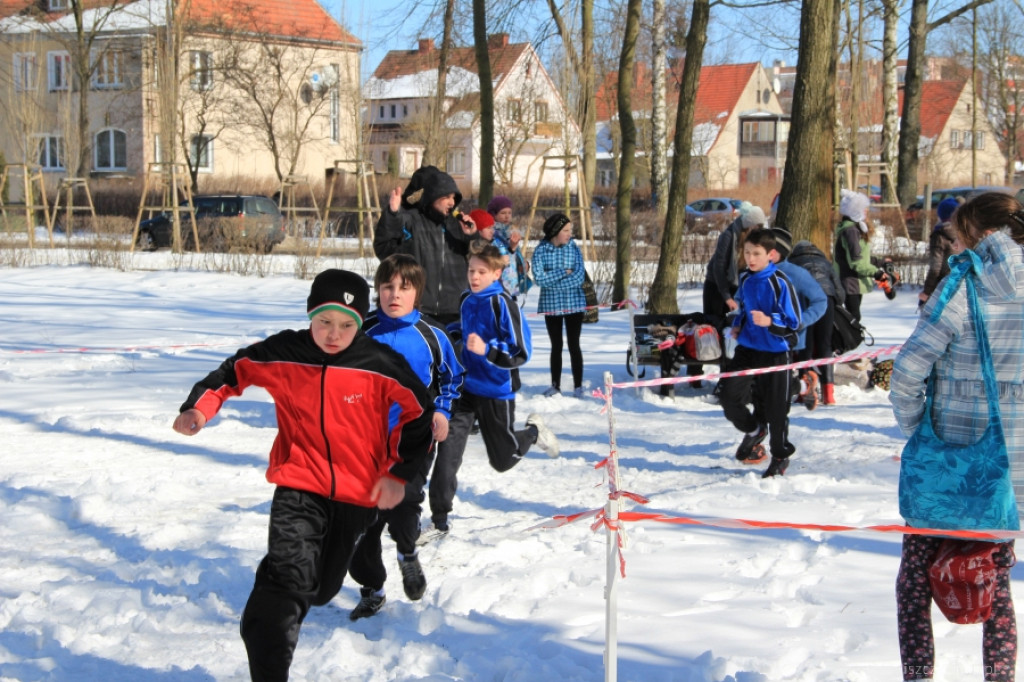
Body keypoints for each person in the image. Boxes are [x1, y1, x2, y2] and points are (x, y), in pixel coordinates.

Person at [172, 269, 434, 682]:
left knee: (321, 589)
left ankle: (276, 589)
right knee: (289, 582)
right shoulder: (286, 352)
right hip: (298, 483)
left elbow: (420, 416)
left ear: (360, 323)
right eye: (325, 321)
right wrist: (199, 408)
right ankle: (269, 658)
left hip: (356, 494)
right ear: (311, 314)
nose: (334, 334)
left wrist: (398, 473)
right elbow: (233, 371)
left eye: (347, 324)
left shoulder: (380, 363)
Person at [890, 191, 1024, 682]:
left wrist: (919, 432)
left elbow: (906, 372)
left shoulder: (962, 286)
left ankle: (919, 676)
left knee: (914, 581)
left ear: (979, 234)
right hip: (1010, 469)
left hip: (946, 461)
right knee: (999, 580)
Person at [347, 254, 465, 620]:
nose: (394, 294)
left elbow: (452, 378)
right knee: (360, 521)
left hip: (413, 439)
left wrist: (442, 412)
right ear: (378, 290)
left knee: (404, 502)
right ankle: (373, 589)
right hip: (364, 441)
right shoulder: (362, 331)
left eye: (404, 287)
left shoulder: (434, 335)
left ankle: (406, 552)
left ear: (418, 293)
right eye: (387, 287)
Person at [424, 243, 560, 539]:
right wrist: (455, 338)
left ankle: (534, 432)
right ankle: (439, 519)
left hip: (497, 391)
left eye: (481, 272)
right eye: (471, 270)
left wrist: (487, 350)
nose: (473, 277)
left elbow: (521, 352)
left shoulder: (503, 304)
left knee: (502, 460)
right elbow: (461, 327)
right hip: (465, 389)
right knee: (447, 451)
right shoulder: (466, 298)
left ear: (497, 273)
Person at [719, 228, 801, 478]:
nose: (750, 258)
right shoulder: (745, 278)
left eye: (756, 253)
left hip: (776, 353)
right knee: (729, 396)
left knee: (777, 410)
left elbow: (794, 322)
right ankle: (755, 431)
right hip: (748, 349)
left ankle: (780, 456)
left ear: (771, 255)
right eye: (746, 253)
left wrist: (770, 321)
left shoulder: (780, 282)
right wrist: (738, 326)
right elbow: (743, 308)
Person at [373, 165, 478, 326]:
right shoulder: (412, 220)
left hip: (456, 311)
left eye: (453, 198)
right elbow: (384, 249)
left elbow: (482, 262)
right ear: (432, 196)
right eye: (446, 197)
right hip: (419, 309)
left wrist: (472, 237)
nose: (451, 202)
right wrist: (392, 214)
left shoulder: (458, 226)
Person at [695, 203, 765, 384]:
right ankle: (695, 372)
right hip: (716, 287)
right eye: (756, 227)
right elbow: (719, 268)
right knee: (712, 328)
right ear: (748, 225)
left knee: (732, 331)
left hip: (736, 287)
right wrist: (726, 296)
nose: (758, 231)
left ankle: (727, 374)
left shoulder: (751, 241)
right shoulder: (728, 236)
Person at [768, 228, 827, 410]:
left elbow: (820, 301)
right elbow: (740, 300)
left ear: (781, 251)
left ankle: (802, 386)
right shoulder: (753, 272)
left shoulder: (797, 274)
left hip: (789, 338)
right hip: (760, 337)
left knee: (777, 387)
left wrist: (802, 321)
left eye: (770, 249)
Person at [531, 213, 587, 398]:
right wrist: (564, 272)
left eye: (570, 230)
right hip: (551, 304)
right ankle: (555, 385)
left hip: (574, 303)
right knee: (556, 345)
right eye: (566, 230)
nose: (569, 234)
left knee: (574, 344)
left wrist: (553, 280)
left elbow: (579, 277)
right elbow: (539, 279)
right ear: (555, 231)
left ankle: (578, 386)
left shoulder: (574, 248)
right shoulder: (540, 251)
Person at [788, 238, 846, 405]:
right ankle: (828, 393)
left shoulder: (793, 262)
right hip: (826, 301)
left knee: (804, 346)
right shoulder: (825, 262)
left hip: (803, 302)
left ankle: (803, 389)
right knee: (825, 346)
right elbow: (839, 292)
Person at [833, 189, 887, 323]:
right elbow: (856, 262)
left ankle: (848, 343)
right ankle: (845, 344)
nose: (866, 212)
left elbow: (861, 256)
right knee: (853, 319)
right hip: (850, 282)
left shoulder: (855, 229)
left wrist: (880, 262)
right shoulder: (851, 231)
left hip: (854, 283)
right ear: (855, 211)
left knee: (853, 318)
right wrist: (877, 273)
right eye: (864, 209)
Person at [918, 196, 962, 310]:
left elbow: (935, 267)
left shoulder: (939, 236)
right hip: (960, 285)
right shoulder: (963, 234)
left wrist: (927, 292)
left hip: (942, 287)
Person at [487, 195, 531, 301]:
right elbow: (497, 256)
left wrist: (523, 264)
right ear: (494, 214)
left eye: (509, 213)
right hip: (497, 284)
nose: (507, 216)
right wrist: (511, 248)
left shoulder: (511, 231)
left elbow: (516, 254)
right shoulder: (491, 233)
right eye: (503, 213)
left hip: (512, 284)